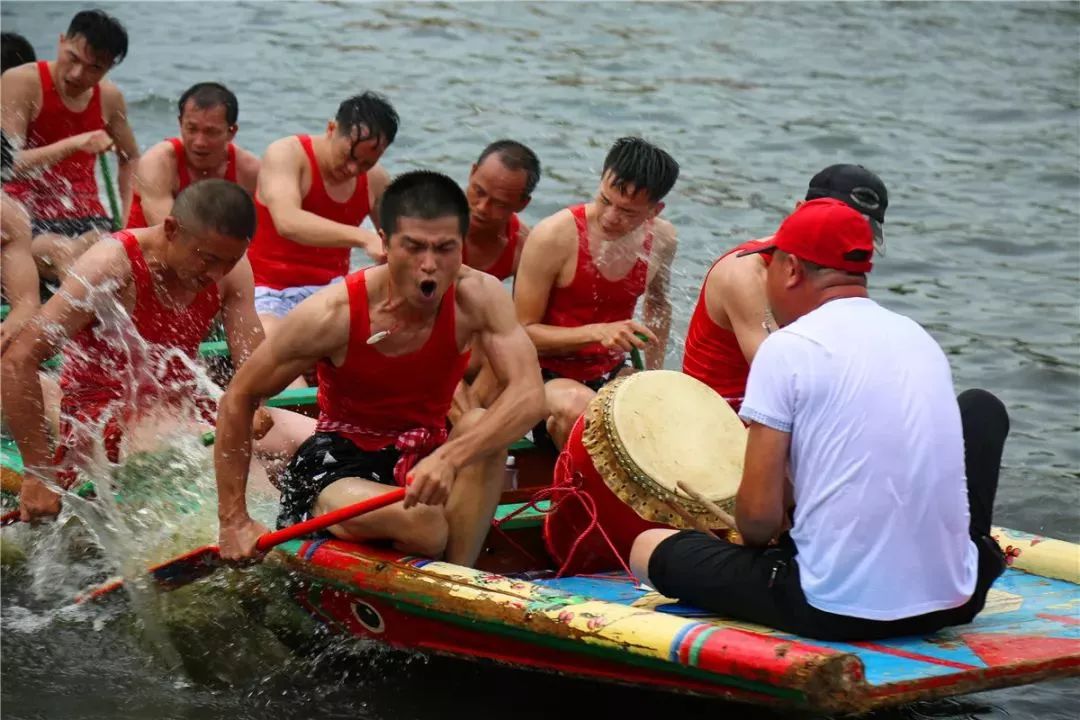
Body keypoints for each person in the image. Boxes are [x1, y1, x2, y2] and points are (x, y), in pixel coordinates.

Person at [630, 199, 1008, 642]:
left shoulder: (787, 348)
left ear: (790, 270)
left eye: (768, 266)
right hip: (959, 598)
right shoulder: (918, 338)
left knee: (647, 548)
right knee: (981, 406)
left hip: (836, 610)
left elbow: (757, 523)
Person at [214, 170, 545, 568]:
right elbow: (240, 396)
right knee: (426, 524)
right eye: (415, 247)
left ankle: (457, 581)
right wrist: (233, 519)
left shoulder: (479, 295)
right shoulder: (333, 314)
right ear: (385, 243)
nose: (429, 266)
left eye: (445, 249)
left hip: (425, 456)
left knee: (478, 424)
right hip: (338, 468)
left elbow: (529, 395)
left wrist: (450, 458)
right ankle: (437, 564)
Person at [1, 180, 293, 522]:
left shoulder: (233, 269)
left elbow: (251, 358)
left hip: (183, 405)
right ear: (171, 229)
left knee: (300, 438)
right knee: (244, 472)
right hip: (103, 417)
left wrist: (256, 403)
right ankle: (272, 523)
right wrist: (39, 474)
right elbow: (18, 360)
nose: (216, 274)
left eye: (228, 261)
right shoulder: (111, 266)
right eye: (207, 259)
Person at [514, 136, 679, 449]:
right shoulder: (553, 236)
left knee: (665, 414)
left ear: (655, 210)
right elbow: (521, 333)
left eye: (628, 212)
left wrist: (653, 379)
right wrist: (597, 332)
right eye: (605, 200)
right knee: (584, 409)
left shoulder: (663, 239)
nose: (610, 217)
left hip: (610, 370)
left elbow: (658, 308)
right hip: (543, 376)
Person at [683, 164, 889, 411]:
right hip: (717, 416)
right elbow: (779, 378)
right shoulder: (744, 274)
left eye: (854, 239)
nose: (842, 248)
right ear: (799, 212)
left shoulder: (836, 275)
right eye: (835, 230)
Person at [246, 92, 395, 353]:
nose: (353, 169)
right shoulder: (287, 154)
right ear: (331, 128)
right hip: (266, 292)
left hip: (332, 294)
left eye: (366, 163)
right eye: (350, 156)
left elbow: (400, 241)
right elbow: (287, 221)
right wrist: (364, 237)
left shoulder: (376, 181)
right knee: (278, 347)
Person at [1, 10, 139, 282]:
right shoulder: (21, 82)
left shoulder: (110, 98)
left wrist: (127, 219)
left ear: (109, 68)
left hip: (89, 220)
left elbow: (131, 158)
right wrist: (75, 143)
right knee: (63, 253)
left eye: (94, 68)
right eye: (73, 58)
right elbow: (7, 165)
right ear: (62, 41)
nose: (78, 74)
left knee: (105, 250)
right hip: (23, 222)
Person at [126, 82, 260, 229]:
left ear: (231, 132)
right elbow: (170, 233)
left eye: (211, 132)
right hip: (147, 249)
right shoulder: (157, 163)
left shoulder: (250, 171)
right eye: (192, 129)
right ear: (180, 123)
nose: (199, 142)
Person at [462, 139, 539, 281]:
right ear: (472, 173)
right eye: (479, 192)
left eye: (499, 204)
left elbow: (524, 303)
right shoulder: (430, 220)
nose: (482, 208)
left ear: (522, 204)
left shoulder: (524, 250)